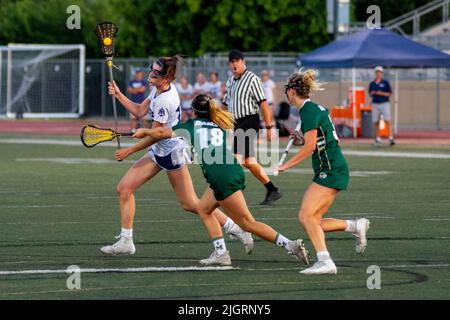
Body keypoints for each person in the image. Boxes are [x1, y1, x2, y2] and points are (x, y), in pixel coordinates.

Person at [132, 94, 310, 266]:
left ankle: (291, 245)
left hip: (221, 177)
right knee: (203, 208)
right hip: (230, 171)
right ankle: (221, 253)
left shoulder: (191, 125)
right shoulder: (217, 124)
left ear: (194, 112)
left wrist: (145, 130)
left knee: (248, 223)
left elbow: (162, 131)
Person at [101, 55, 253, 256]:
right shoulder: (158, 89)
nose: (150, 75)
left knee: (192, 204)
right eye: (151, 70)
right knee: (124, 189)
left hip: (171, 153)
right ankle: (126, 241)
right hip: (160, 151)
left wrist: (129, 150)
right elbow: (139, 112)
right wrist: (119, 94)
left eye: (156, 73)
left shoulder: (165, 100)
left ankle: (236, 229)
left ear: (166, 78)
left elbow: (155, 136)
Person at [277, 69, 370, 275]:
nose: (286, 95)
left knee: (305, 216)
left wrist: (286, 165)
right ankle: (354, 226)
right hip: (329, 167)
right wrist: (300, 139)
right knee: (313, 221)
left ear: (292, 91)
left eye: (286, 91)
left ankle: (325, 261)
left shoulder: (309, 111)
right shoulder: (310, 110)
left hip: (331, 169)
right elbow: (317, 140)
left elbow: (310, 147)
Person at [223, 50, 282, 205]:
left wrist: (269, 127)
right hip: (236, 123)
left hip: (249, 121)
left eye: (237, 61)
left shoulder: (252, 79)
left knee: (235, 159)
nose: (235, 64)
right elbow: (225, 103)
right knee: (249, 162)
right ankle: (272, 189)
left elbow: (263, 103)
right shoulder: (230, 81)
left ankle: (234, 192)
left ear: (243, 62)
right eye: (232, 61)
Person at [369, 66, 394, 146]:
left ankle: (390, 137)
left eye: (379, 72)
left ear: (382, 73)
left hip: (384, 103)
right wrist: (373, 93)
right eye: (377, 72)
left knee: (387, 120)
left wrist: (381, 93)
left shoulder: (385, 83)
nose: (378, 74)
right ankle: (377, 138)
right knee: (376, 121)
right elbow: (370, 93)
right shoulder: (372, 83)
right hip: (375, 103)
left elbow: (390, 93)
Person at [127, 68, 148, 132]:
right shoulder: (131, 82)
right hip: (133, 102)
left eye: (139, 72)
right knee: (133, 117)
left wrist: (134, 90)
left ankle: (144, 131)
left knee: (144, 118)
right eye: (137, 72)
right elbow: (129, 90)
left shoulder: (143, 81)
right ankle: (133, 130)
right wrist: (138, 90)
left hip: (142, 103)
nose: (138, 74)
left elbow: (143, 89)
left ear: (141, 73)